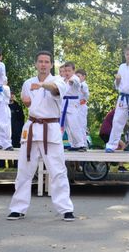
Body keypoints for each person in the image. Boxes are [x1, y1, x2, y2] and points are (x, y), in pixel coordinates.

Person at [7, 51, 74, 221]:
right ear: (36, 64)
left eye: (46, 62)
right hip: (31, 128)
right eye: (40, 61)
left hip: (50, 128)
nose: (43, 64)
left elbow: (55, 90)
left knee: (58, 170)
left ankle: (66, 208)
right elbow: (28, 102)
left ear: (51, 65)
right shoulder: (28, 82)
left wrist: (43, 85)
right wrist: (28, 102)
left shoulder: (58, 81)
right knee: (24, 171)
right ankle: (18, 208)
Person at [60, 63, 86, 151]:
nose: (67, 73)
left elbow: (77, 83)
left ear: (73, 71)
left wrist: (71, 81)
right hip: (63, 104)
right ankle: (72, 144)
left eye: (69, 71)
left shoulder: (75, 78)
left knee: (74, 125)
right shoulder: (62, 80)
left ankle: (81, 144)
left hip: (72, 105)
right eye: (65, 71)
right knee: (64, 126)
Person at [75, 68, 90, 147]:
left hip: (82, 107)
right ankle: (77, 143)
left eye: (79, 76)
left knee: (81, 125)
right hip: (76, 107)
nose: (77, 78)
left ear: (84, 77)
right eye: (76, 76)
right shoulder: (76, 85)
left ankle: (84, 143)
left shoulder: (84, 85)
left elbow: (86, 95)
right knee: (76, 126)